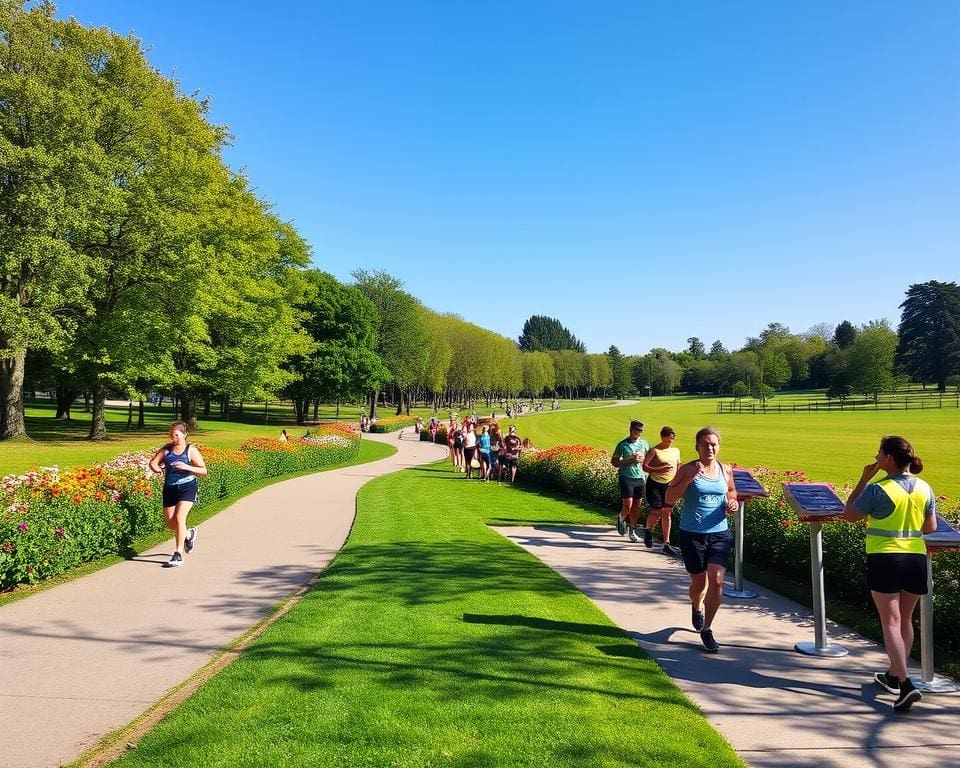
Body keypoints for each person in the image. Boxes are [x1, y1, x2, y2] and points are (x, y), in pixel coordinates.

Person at [842, 435, 937, 712]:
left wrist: (863, 480)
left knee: (891, 622)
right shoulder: (924, 488)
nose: (875, 457)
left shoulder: (878, 489)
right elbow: (929, 527)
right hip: (916, 557)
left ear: (888, 459)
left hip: (886, 557)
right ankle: (894, 675)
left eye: (879, 453)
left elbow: (849, 514)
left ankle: (905, 683)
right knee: (904, 621)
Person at [665, 426, 737, 653]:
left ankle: (707, 629)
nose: (710, 447)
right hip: (692, 534)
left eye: (714, 444)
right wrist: (690, 478)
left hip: (719, 533)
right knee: (698, 584)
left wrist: (732, 502)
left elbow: (732, 491)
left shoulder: (725, 469)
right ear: (697, 446)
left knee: (716, 580)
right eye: (705, 444)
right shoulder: (687, 469)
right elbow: (669, 497)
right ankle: (697, 606)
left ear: (719, 446)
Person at [149, 421, 208, 568]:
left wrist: (186, 466)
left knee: (180, 517)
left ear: (184, 434)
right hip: (170, 488)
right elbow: (153, 463)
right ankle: (189, 535)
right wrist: (158, 469)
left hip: (187, 487)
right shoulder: (166, 449)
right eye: (171, 434)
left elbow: (203, 471)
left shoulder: (191, 450)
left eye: (176, 434)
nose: (173, 437)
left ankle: (178, 553)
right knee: (170, 523)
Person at [642, 426, 681, 554]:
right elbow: (645, 466)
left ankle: (666, 543)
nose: (671, 440)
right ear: (662, 437)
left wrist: (679, 479)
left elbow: (678, 464)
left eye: (673, 437)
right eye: (669, 437)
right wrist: (659, 470)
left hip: (669, 485)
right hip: (655, 484)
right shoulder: (655, 450)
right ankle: (648, 530)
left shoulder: (675, 451)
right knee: (657, 511)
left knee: (667, 513)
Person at [611, 419, 649, 543]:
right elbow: (615, 462)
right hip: (626, 476)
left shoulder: (644, 443)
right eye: (636, 430)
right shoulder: (623, 444)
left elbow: (649, 458)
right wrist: (630, 460)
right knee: (628, 504)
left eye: (640, 431)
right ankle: (621, 518)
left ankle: (632, 530)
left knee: (637, 506)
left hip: (640, 476)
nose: (638, 432)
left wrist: (643, 459)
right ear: (631, 430)